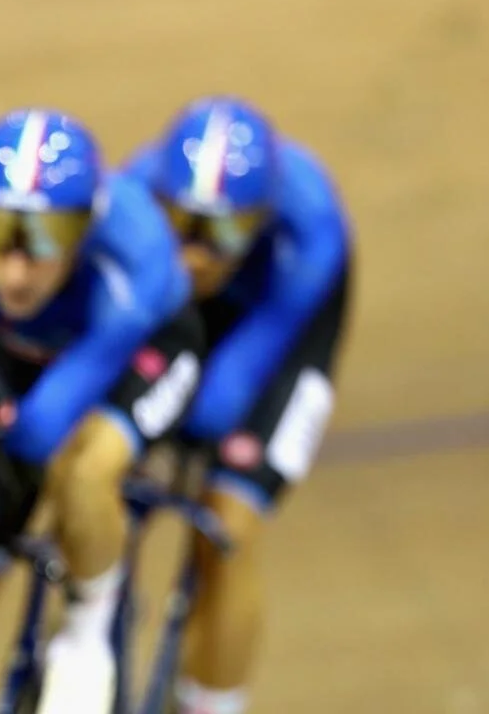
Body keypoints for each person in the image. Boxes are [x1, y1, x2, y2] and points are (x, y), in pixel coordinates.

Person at [0, 108, 205, 714]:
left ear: (87, 230)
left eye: (45, 240)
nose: (17, 267)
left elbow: (43, 429)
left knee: (83, 470)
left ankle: (88, 628)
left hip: (132, 355)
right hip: (17, 356)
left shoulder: (135, 258)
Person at [120, 95, 353, 714]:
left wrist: (181, 426)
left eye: (220, 233)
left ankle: (212, 704)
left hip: (277, 334)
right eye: (180, 224)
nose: (195, 252)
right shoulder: (132, 191)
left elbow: (227, 392)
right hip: (175, 314)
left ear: (260, 218)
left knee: (230, 524)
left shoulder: (313, 229)